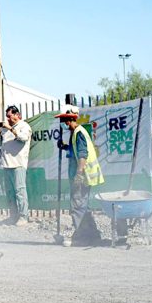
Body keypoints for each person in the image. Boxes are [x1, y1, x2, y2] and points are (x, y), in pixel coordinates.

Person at [55, 105, 104, 247]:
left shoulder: (79, 133)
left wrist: (78, 174)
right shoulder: (76, 133)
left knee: (78, 206)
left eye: (63, 120)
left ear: (69, 119)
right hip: (83, 176)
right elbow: (75, 151)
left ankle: (82, 237)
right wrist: (64, 146)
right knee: (83, 206)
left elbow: (82, 155)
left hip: (82, 176)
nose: (62, 123)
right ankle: (93, 235)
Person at [0, 105, 32, 226]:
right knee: (10, 193)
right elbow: (0, 144)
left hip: (18, 164)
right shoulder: (7, 129)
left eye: (10, 116)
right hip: (7, 164)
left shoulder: (24, 126)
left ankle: (23, 216)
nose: (8, 119)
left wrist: (10, 128)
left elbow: (23, 138)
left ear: (17, 115)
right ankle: (13, 216)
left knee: (20, 191)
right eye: (7, 117)